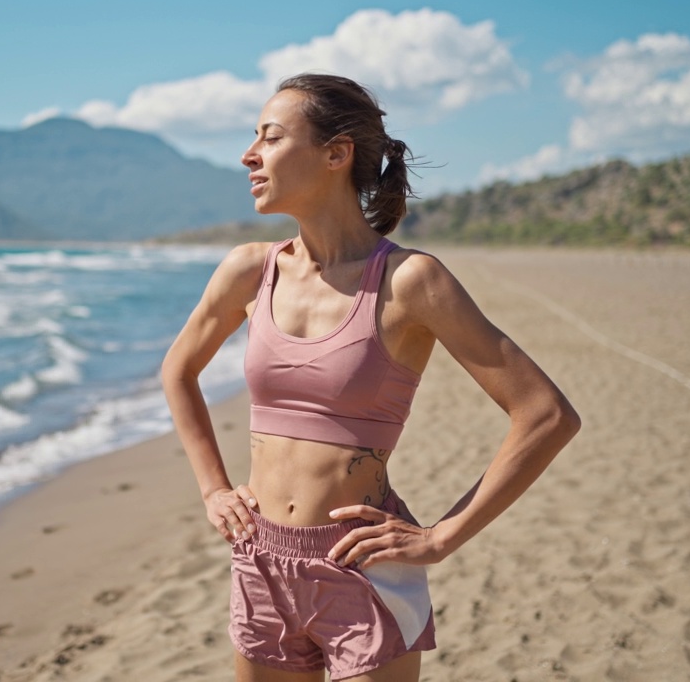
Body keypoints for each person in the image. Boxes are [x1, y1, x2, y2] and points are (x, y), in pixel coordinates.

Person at [161, 73, 581, 682]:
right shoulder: (250, 271)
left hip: (363, 570)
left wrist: (441, 538)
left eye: (271, 138)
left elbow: (546, 415)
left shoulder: (410, 282)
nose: (249, 155)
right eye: (253, 138)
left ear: (337, 154)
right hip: (259, 561)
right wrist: (212, 489)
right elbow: (179, 370)